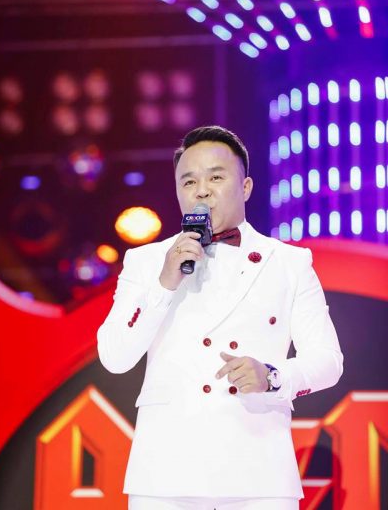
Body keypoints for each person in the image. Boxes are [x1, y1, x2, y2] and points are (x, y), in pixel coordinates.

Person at [97, 125, 343, 510]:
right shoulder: (146, 262)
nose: (201, 190)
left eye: (215, 177)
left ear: (245, 187)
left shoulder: (289, 263)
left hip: (258, 470)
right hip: (165, 473)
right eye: (189, 181)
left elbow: (328, 361)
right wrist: (164, 284)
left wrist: (272, 375)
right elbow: (114, 356)